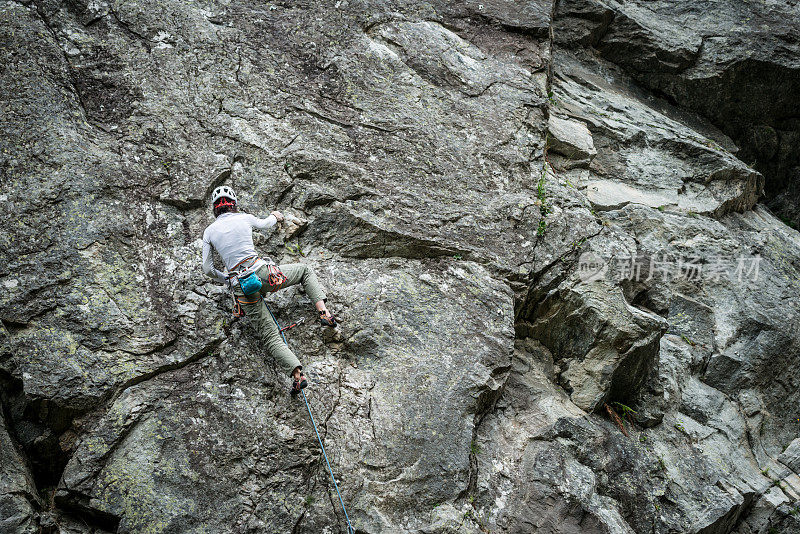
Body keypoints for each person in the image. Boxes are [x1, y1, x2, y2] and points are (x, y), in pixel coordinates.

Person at [201, 185, 337, 394]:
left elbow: (208, 269)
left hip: (241, 287)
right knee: (304, 271)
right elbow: (266, 224)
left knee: (270, 336)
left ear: (215, 209)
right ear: (234, 204)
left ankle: (297, 374)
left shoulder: (209, 231)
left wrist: (227, 279)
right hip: (264, 275)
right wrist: (276, 215)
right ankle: (324, 313)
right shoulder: (244, 218)